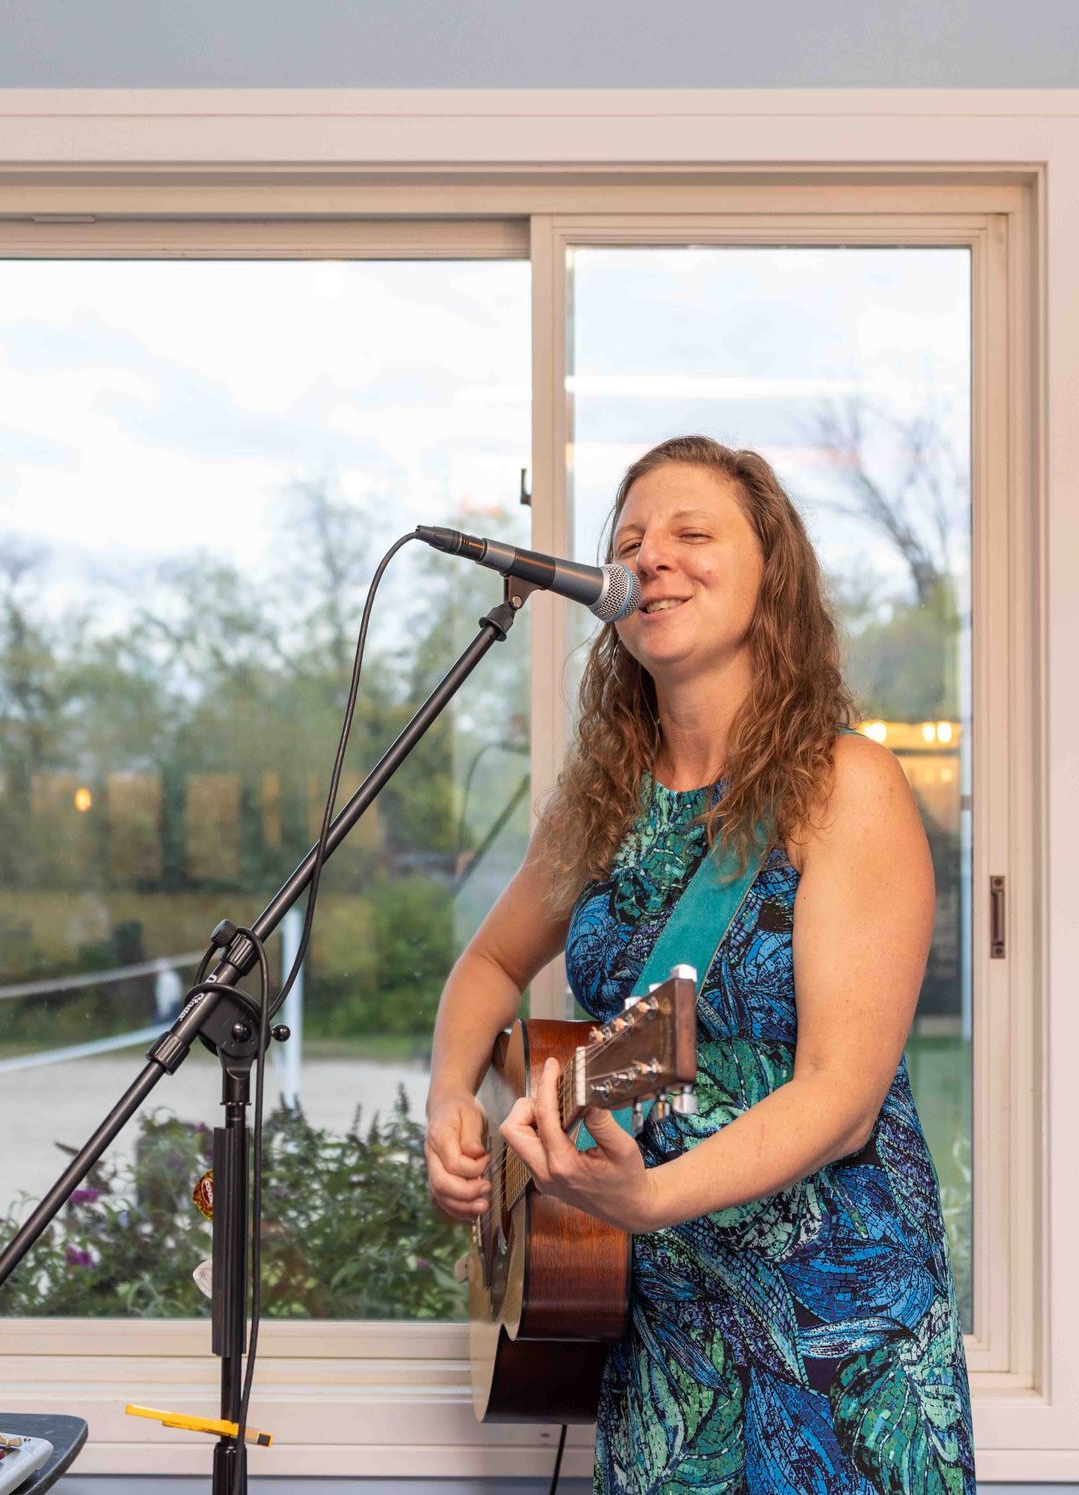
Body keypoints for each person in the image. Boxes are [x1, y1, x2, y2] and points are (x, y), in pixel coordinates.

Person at [425, 435, 973, 1492]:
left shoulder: (845, 785)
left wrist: (652, 1196)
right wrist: (451, 1094)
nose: (651, 557)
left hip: (839, 1338)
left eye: (691, 533)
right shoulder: (602, 802)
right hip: (665, 1340)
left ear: (772, 574)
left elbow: (843, 1098)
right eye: (629, 540)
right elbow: (489, 962)